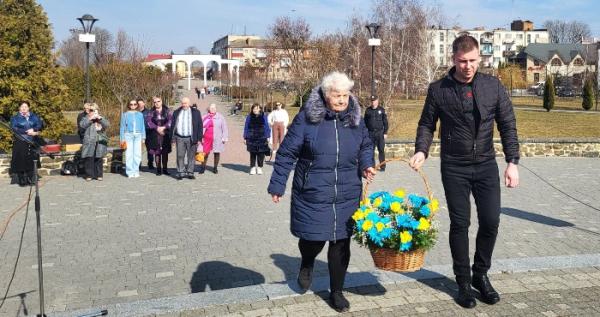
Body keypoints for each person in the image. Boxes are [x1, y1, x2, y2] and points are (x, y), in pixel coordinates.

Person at [409, 35, 520, 309]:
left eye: (472, 61)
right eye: (462, 61)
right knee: (460, 224)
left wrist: (512, 162)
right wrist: (422, 150)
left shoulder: (492, 86)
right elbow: (426, 124)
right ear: (453, 59)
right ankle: (462, 282)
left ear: (479, 58)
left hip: (485, 164)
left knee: (491, 221)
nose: (468, 66)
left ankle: (480, 275)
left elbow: (508, 124)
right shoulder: (439, 89)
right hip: (454, 167)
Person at [267, 72, 376, 312]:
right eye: (337, 95)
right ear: (326, 95)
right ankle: (307, 263)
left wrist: (366, 163)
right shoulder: (307, 119)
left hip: (347, 191)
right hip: (313, 192)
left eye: (345, 95)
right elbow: (286, 153)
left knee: (340, 244)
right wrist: (277, 184)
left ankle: (337, 292)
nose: (341, 100)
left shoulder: (355, 119)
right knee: (313, 240)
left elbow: (366, 144)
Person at [10, 101, 43, 186]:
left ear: (29, 108)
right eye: (22, 107)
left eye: (26, 106)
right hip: (21, 141)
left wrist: (34, 131)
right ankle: (21, 179)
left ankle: (31, 178)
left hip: (32, 141)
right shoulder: (15, 118)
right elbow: (14, 128)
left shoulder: (34, 117)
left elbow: (39, 125)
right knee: (20, 160)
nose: (24, 108)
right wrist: (26, 132)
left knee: (31, 160)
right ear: (19, 108)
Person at [170, 97, 203, 180]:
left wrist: (199, 138)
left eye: (186, 103)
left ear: (189, 103)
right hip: (179, 137)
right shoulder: (177, 112)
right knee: (180, 155)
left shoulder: (196, 112)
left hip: (191, 138)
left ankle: (190, 172)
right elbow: (173, 125)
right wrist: (173, 138)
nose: (184, 105)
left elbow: (200, 126)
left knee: (191, 156)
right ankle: (180, 172)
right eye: (183, 103)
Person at [79, 103, 110, 181]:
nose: (91, 111)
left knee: (99, 157)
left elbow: (107, 124)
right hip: (89, 140)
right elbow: (82, 125)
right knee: (89, 157)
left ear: (97, 110)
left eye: (93, 110)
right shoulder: (86, 118)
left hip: (99, 141)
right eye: (90, 110)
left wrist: (100, 119)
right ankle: (89, 175)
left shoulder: (101, 117)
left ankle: (99, 175)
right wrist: (90, 119)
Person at [146, 96, 173, 176]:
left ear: (161, 101)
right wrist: (157, 128)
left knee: (165, 152)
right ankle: (158, 169)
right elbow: (149, 122)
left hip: (165, 134)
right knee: (157, 152)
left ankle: (165, 169)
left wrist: (164, 128)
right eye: (155, 102)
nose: (157, 103)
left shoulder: (167, 111)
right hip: (155, 134)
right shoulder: (151, 112)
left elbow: (171, 120)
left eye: (158, 101)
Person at [120, 100, 146, 178]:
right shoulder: (125, 115)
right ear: (129, 105)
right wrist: (122, 139)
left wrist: (143, 137)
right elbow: (122, 127)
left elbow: (142, 126)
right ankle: (129, 171)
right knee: (129, 154)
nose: (133, 105)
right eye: (131, 104)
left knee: (137, 154)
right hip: (128, 135)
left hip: (138, 135)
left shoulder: (140, 114)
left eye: (135, 104)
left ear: (137, 105)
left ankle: (136, 170)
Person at [243, 103, 271, 175]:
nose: (255, 110)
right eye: (254, 108)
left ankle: (259, 167)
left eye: (257, 108)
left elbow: (267, 127)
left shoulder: (264, 116)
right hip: (251, 137)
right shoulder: (249, 117)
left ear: (260, 109)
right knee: (252, 153)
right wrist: (245, 137)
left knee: (261, 153)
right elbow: (246, 127)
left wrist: (268, 136)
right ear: (252, 109)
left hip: (262, 137)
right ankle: (252, 167)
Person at [201, 103, 228, 174]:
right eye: (211, 108)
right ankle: (202, 167)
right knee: (205, 153)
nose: (213, 109)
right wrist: (200, 137)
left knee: (216, 152)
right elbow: (200, 127)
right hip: (206, 138)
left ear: (216, 109)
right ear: (209, 109)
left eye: (214, 108)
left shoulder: (220, 117)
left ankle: (215, 168)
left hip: (217, 138)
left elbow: (224, 128)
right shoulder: (204, 117)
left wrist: (224, 137)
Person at [364, 95, 389, 171]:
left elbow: (385, 122)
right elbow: (365, 123)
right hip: (371, 134)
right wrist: (365, 133)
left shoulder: (381, 110)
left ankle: (382, 166)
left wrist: (385, 133)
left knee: (381, 150)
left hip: (380, 133)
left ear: (377, 101)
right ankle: (373, 167)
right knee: (371, 151)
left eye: (374, 100)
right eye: (372, 101)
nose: (373, 102)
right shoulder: (368, 110)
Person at [138, 98, 154, 169]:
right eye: (139, 104)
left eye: (141, 103)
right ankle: (138, 164)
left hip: (148, 132)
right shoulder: (135, 113)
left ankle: (150, 163)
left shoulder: (149, 112)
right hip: (138, 133)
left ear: (144, 103)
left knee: (149, 149)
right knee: (138, 149)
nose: (140, 105)